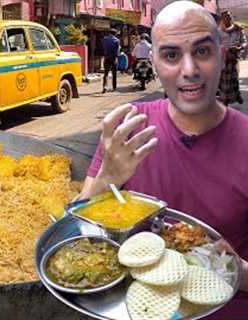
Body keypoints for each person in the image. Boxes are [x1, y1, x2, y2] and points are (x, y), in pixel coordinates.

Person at [80, 2, 248, 318]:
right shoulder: (128, 132)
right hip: (137, 307)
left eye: (202, 52)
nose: (189, 70)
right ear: (153, 63)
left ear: (222, 55)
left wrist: (236, 270)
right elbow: (77, 233)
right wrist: (107, 177)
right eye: (171, 55)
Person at [218, 10, 247, 105]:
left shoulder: (238, 29)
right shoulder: (218, 32)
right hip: (223, 58)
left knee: (234, 78)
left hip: (234, 57)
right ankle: (224, 99)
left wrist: (239, 48)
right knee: (224, 80)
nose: (227, 19)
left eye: (229, 17)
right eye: (225, 18)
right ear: (222, 20)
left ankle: (236, 96)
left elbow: (244, 42)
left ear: (231, 18)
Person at [102, 29, 120, 94]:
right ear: (115, 34)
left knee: (106, 73)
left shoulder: (105, 39)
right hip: (113, 58)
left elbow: (103, 47)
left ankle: (105, 87)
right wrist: (117, 56)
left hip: (106, 57)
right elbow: (117, 51)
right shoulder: (117, 40)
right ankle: (114, 87)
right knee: (114, 73)